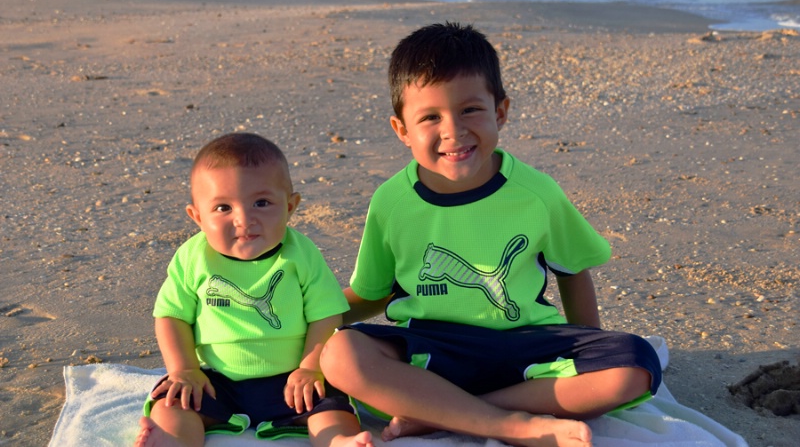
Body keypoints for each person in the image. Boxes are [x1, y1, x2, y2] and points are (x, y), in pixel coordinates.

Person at [319, 23, 662, 447]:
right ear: (401, 129)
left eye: (470, 110)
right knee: (340, 355)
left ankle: (441, 413)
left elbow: (572, 271)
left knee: (636, 366)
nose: (453, 131)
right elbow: (374, 293)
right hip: (432, 349)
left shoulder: (536, 194)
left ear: (500, 111)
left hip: (522, 345)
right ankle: (510, 424)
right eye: (430, 117)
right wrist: (311, 320)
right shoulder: (392, 202)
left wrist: (588, 347)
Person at [134, 133, 373, 447]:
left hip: (291, 378)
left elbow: (326, 316)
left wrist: (310, 368)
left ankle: (340, 441)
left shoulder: (300, 255)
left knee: (329, 408)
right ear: (197, 217)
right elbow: (171, 317)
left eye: (262, 203)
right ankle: (172, 439)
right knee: (174, 402)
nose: (244, 219)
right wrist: (184, 369)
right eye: (222, 208)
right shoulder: (193, 258)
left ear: (290, 206)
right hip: (215, 378)